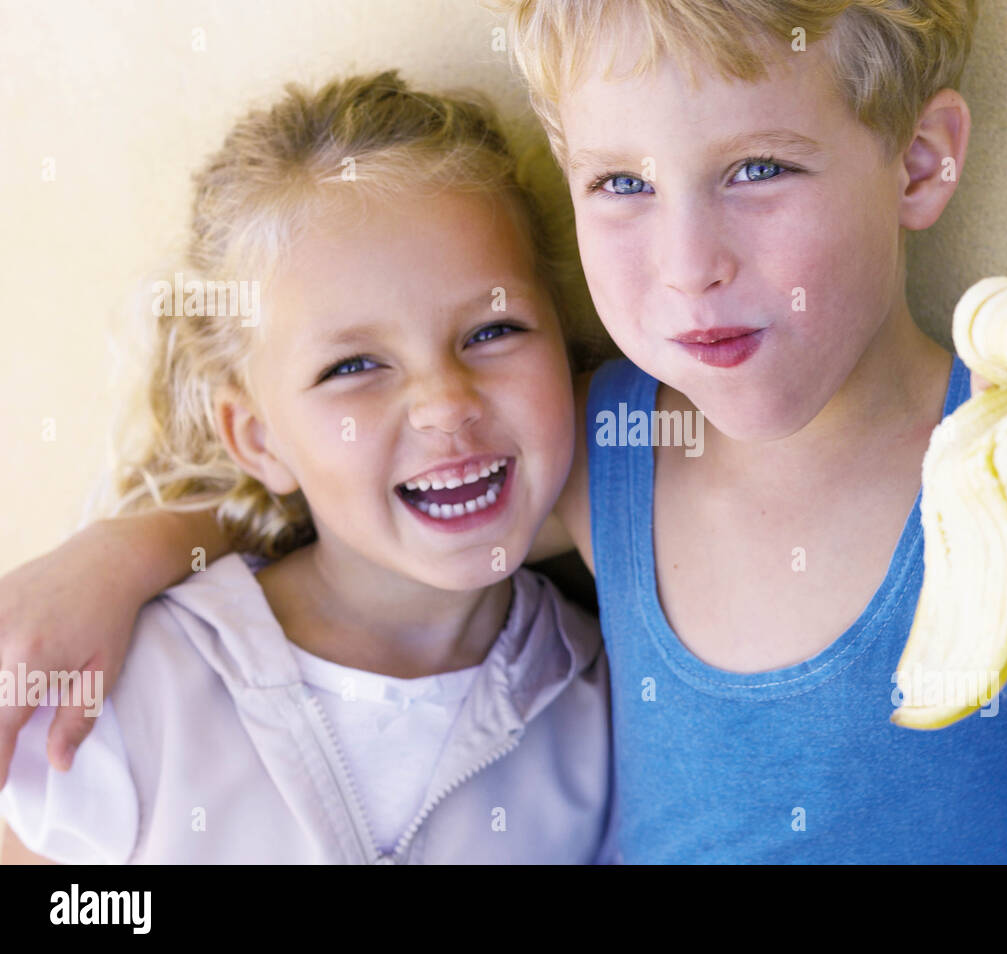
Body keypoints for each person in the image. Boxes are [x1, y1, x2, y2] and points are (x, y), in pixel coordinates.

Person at [1, 1, 1007, 863]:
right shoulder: (605, 451)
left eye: (757, 170)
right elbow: (381, 489)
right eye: (621, 184)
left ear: (917, 166)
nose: (686, 268)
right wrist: (124, 550)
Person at [0, 70, 613, 864]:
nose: (444, 403)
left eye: (493, 331)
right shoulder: (133, 684)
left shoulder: (604, 704)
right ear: (257, 438)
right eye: (354, 365)